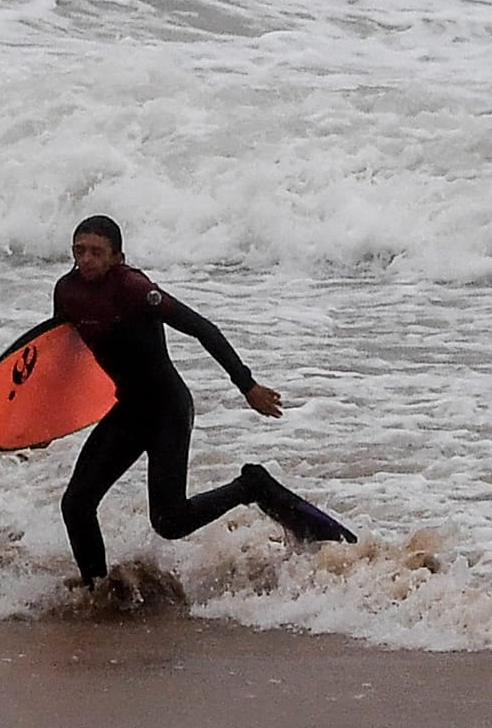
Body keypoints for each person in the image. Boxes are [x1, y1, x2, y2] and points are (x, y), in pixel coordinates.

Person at [48, 213, 351, 585]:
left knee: (169, 522)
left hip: (166, 410)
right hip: (128, 411)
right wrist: (44, 423)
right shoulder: (67, 291)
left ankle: (251, 486)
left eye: (97, 252)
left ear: (118, 257)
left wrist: (247, 386)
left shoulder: (134, 289)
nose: (86, 259)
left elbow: (202, 328)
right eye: (79, 250)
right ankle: (97, 589)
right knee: (76, 505)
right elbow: (62, 358)